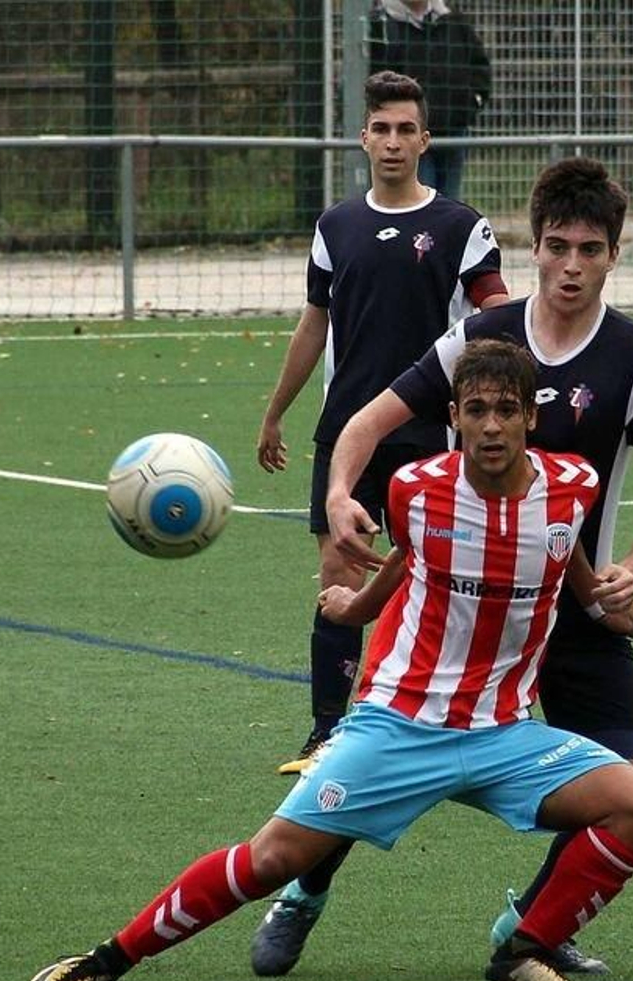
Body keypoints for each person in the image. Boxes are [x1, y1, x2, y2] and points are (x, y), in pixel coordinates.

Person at [24, 339, 633, 981]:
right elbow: (408, 559)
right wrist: (355, 606)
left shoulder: (574, 486)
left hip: (503, 733)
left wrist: (604, 603)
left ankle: (522, 952)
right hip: (399, 724)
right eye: (476, 410)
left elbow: (566, 562)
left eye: (507, 410)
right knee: (273, 857)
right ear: (454, 415)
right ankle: (106, 960)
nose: (492, 426)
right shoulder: (416, 490)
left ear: (531, 417)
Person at [248, 156, 633, 981]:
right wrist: (343, 491)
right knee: (377, 762)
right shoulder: (479, 342)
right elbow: (366, 419)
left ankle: (532, 927)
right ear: (534, 247)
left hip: (572, 599)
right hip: (460, 610)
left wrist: (630, 569)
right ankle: (302, 893)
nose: (570, 265)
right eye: (556, 246)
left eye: (589, 250)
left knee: (632, 791)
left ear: (613, 255)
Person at [257, 70, 509, 778]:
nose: (394, 142)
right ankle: (324, 734)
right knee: (336, 571)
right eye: (382, 130)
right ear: (363, 138)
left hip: (430, 434)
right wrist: (276, 412)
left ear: (425, 141)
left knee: (440, 577)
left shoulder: (461, 226)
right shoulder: (336, 226)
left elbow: (497, 315)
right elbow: (314, 324)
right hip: (346, 434)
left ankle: (443, 719)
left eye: (407, 130)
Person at [368, 0, 492, 201]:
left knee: (449, 204)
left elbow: (480, 66)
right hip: (405, 136)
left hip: (453, 132)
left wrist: (471, 103)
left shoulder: (454, 22)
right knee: (415, 202)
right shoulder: (379, 25)